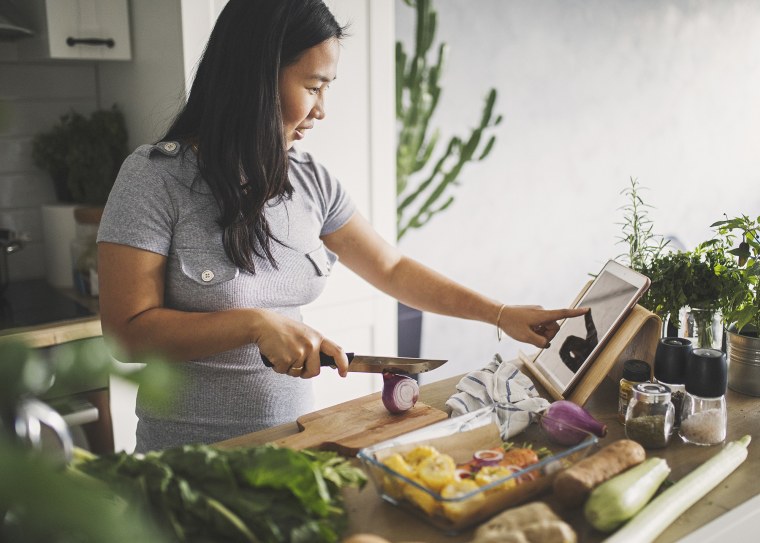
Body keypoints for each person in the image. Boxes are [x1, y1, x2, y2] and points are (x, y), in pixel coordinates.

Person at [97, 0, 587, 453]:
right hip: (185, 461)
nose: (321, 109)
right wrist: (254, 323)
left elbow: (392, 268)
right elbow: (126, 335)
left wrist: (500, 314)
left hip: (293, 447)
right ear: (255, 78)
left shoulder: (310, 180)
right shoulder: (153, 177)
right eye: (312, 86)